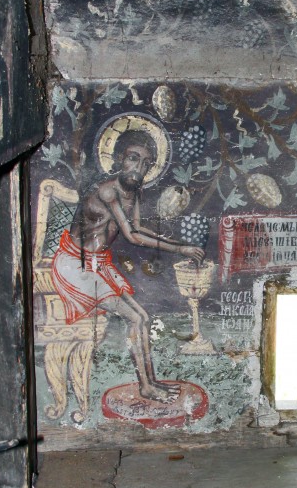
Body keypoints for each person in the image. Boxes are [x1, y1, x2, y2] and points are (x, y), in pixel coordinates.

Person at [52, 129, 204, 403]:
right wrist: (180, 249)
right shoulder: (108, 191)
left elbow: (138, 227)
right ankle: (146, 386)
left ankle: (150, 382)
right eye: (134, 158)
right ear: (118, 159)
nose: (139, 168)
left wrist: (176, 242)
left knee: (142, 317)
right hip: (76, 265)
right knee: (136, 318)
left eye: (146, 163)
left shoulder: (134, 192)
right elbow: (132, 236)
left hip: (98, 265)